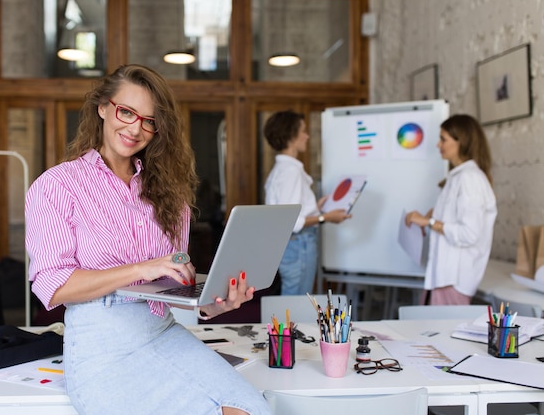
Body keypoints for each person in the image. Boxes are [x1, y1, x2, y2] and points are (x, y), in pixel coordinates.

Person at [25, 64, 272, 415]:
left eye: (149, 121)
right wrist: (142, 267)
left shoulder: (169, 195)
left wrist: (218, 304)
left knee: (252, 410)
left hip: (163, 332)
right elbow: (54, 285)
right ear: (103, 108)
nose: (135, 128)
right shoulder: (57, 186)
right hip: (104, 349)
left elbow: (172, 289)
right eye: (126, 112)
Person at [405, 114, 497, 305]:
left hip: (454, 279)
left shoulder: (469, 179)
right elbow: (454, 214)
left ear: (460, 141)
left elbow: (469, 233)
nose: (438, 145)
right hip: (443, 277)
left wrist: (430, 222)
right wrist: (430, 216)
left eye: (443, 139)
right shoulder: (458, 177)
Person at [263, 110, 351, 295]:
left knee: (292, 301)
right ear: (291, 136)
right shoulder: (291, 171)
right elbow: (293, 222)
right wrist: (326, 217)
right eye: (303, 130)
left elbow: (286, 212)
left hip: (292, 244)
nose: (307, 136)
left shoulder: (281, 169)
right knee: (295, 304)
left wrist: (315, 208)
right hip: (299, 244)